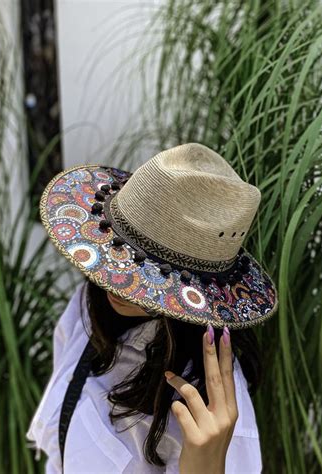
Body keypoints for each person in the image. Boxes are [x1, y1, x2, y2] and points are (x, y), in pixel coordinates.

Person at [26, 143, 278, 473]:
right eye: (118, 257)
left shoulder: (210, 398)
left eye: (138, 271)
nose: (115, 285)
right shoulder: (90, 310)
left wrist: (206, 467)